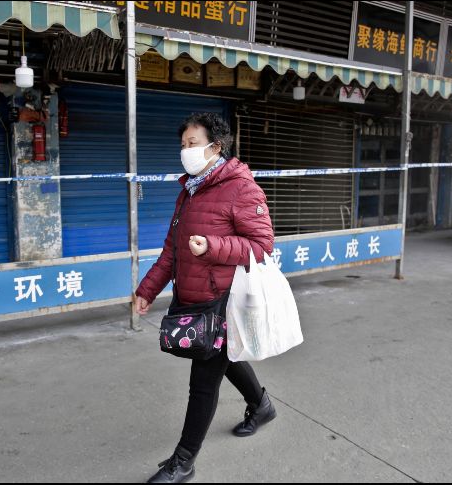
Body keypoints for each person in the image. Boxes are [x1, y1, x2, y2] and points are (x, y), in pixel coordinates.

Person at [134, 113, 277, 484]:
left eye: (193, 143)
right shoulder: (190, 191)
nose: (186, 151)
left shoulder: (241, 188)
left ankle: (183, 462)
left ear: (216, 146)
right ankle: (261, 405)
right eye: (183, 144)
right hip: (193, 297)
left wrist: (213, 246)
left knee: (203, 381)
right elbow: (172, 250)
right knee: (223, 356)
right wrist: (147, 289)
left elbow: (262, 245)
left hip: (222, 300)